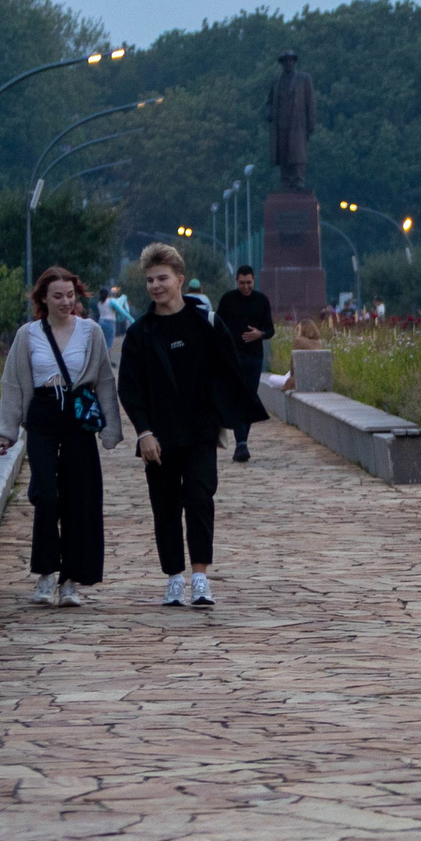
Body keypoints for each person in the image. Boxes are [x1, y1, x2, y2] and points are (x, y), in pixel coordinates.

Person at [118, 242, 266, 608]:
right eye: (150, 279)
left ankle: (200, 576)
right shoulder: (141, 333)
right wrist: (143, 432)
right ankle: (174, 578)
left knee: (200, 498)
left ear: (180, 279)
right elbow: (130, 388)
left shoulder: (205, 324)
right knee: (165, 506)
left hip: (200, 431)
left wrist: (225, 416)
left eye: (163, 278)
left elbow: (228, 370)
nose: (156, 285)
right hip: (159, 437)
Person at [0, 266, 125, 606]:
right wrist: (5, 431)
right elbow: (13, 384)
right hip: (44, 414)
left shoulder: (90, 332)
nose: (65, 302)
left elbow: (105, 381)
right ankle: (46, 573)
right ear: (43, 299)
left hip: (77, 415)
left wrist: (110, 428)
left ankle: (70, 581)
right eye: (58, 296)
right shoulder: (28, 334)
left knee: (79, 497)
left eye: (70, 295)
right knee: (46, 493)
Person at [214, 265, 275, 464]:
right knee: (236, 396)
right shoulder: (228, 300)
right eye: (242, 283)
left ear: (254, 280)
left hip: (254, 357)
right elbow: (218, 326)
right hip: (232, 357)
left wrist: (260, 334)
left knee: (249, 397)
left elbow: (270, 330)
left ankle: (242, 442)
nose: (246, 287)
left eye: (249, 283)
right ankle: (241, 443)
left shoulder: (261, 300)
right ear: (236, 281)